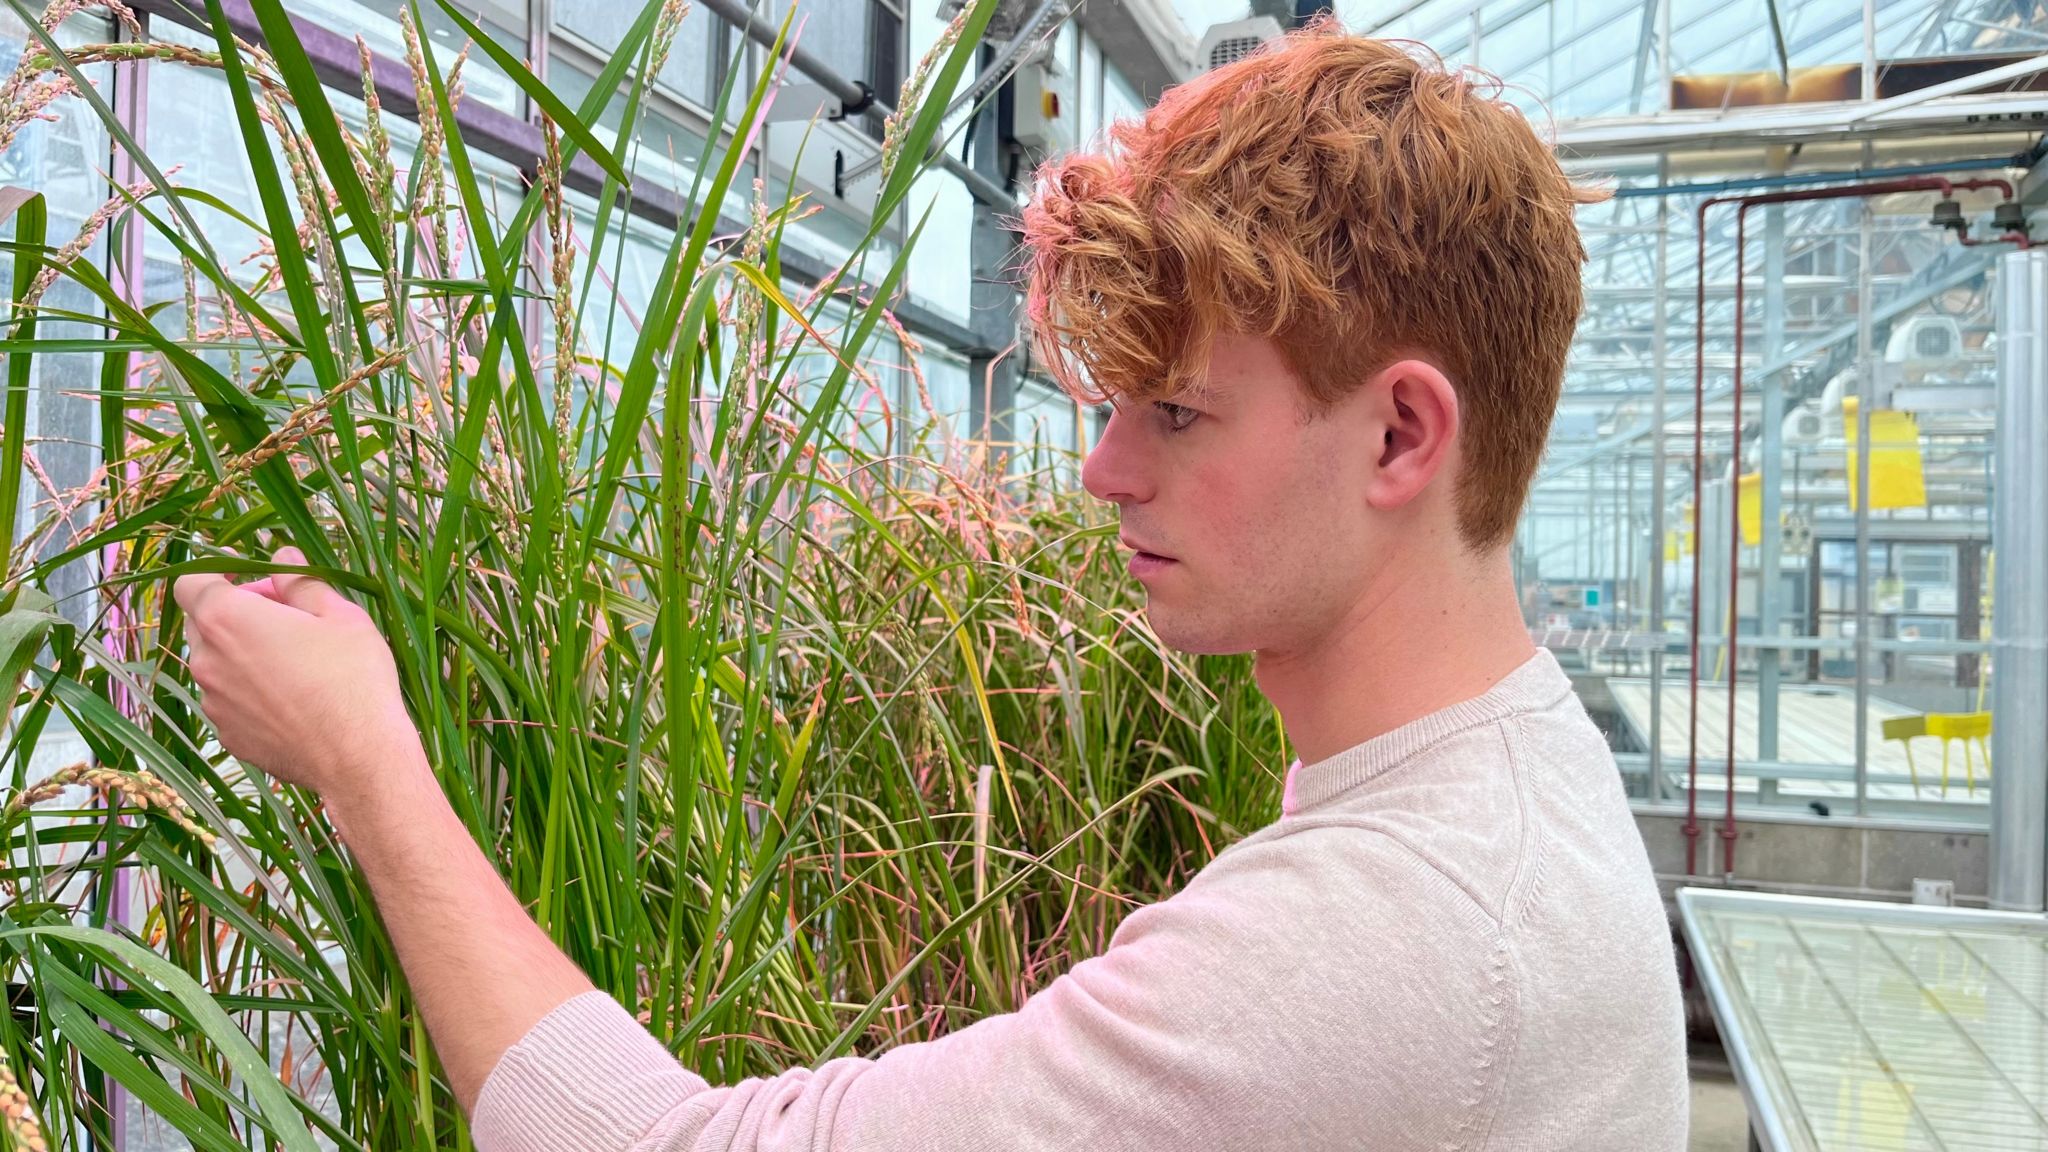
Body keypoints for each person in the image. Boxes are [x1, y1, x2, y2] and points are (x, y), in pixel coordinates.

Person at [172, 20, 1687, 1151]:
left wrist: (364, 762)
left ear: (1401, 434)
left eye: (1175, 412)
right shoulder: (1514, 773)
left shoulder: (1390, 937)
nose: (1102, 472)